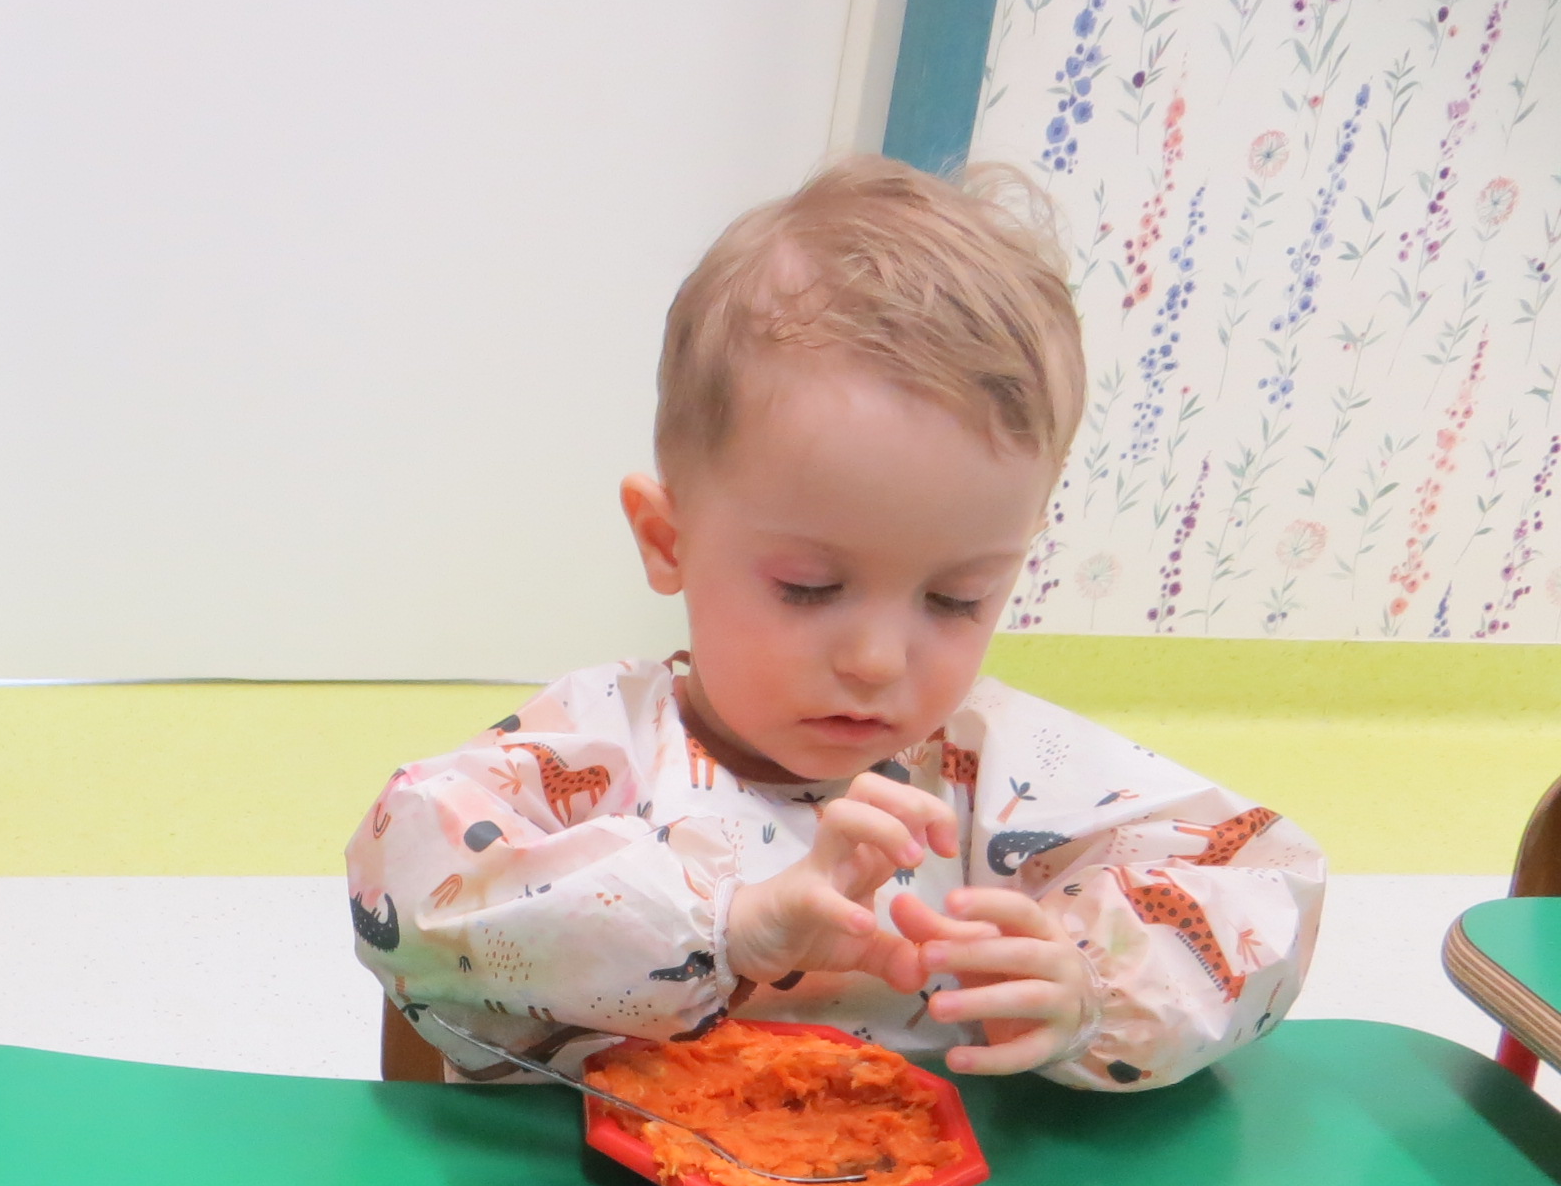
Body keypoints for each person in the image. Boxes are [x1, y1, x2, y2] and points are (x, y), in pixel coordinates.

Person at [348, 159, 1322, 1093]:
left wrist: (1090, 986)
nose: (876, 660)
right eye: (810, 588)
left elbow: (1267, 878)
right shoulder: (601, 744)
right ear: (667, 539)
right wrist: (724, 924)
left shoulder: (997, 767)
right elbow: (406, 879)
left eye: (955, 599)